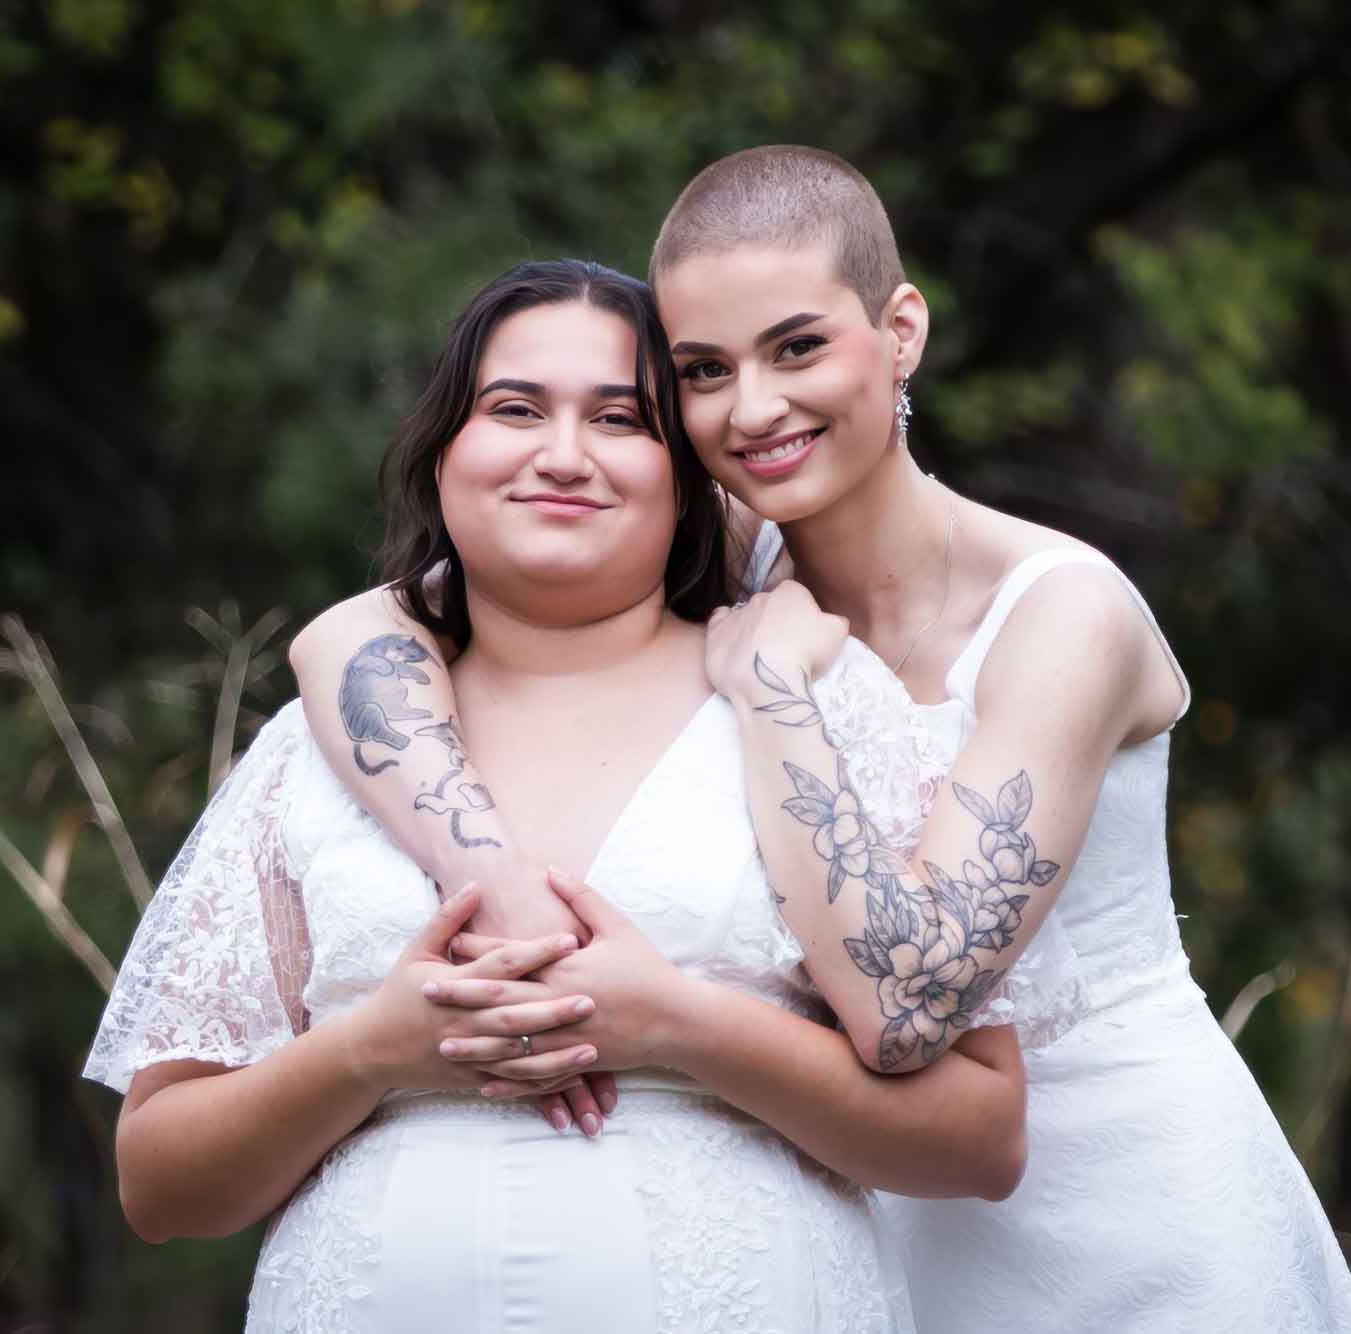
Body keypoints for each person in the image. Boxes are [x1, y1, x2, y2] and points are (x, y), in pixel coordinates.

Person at [289, 149, 1351, 1331]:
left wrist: (773, 696)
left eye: (796, 347)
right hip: (853, 1202)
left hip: (1124, 1218)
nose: (752, 410)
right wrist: (493, 883)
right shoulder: (725, 545)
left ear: (899, 328)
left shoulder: (1062, 615)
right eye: (703, 370)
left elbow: (904, 1012)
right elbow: (354, 638)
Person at [85, 258, 1028, 1333]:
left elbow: (980, 1137)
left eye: (620, 418)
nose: (562, 455)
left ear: (686, 478)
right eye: (514, 407)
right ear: (443, 450)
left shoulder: (816, 698)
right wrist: (368, 1051)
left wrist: (681, 1026)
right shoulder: (318, 737)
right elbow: (157, 1185)